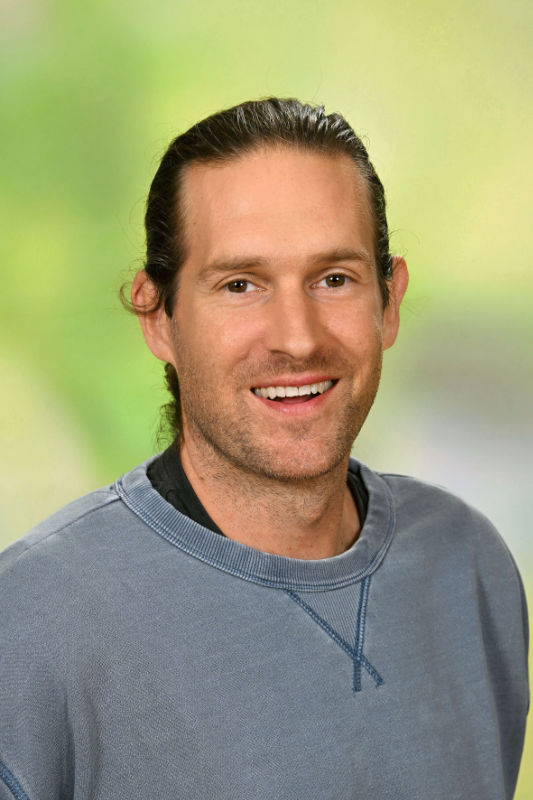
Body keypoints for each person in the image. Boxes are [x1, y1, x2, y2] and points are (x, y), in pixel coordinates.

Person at [0, 98, 528, 800]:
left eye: (333, 279)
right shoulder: (33, 618)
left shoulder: (469, 565)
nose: (297, 338)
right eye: (241, 285)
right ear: (158, 316)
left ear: (389, 301)